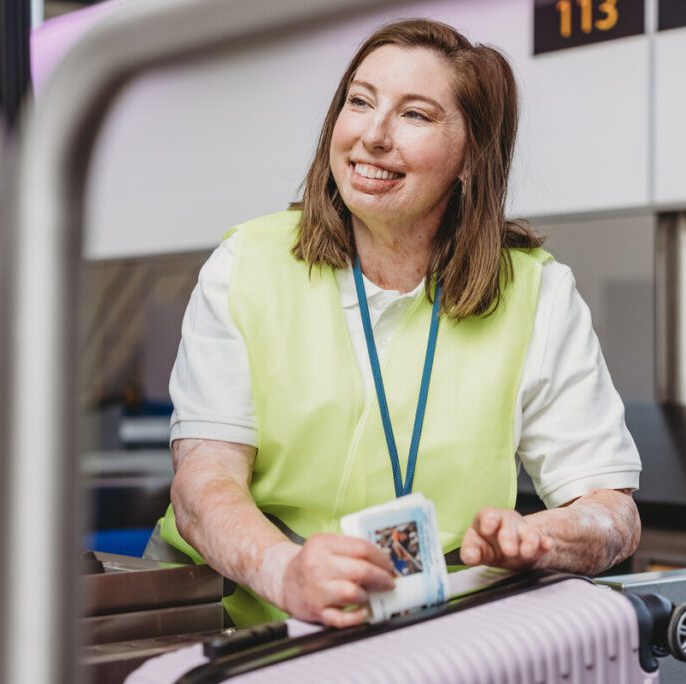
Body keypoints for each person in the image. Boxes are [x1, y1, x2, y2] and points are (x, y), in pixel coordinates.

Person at [144, 19, 642, 628]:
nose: (373, 135)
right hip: (226, 615)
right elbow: (205, 484)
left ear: (470, 155)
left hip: (425, 634)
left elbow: (609, 512)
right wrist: (284, 571)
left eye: (416, 115)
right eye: (359, 102)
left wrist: (537, 538)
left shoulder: (537, 293)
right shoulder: (246, 264)